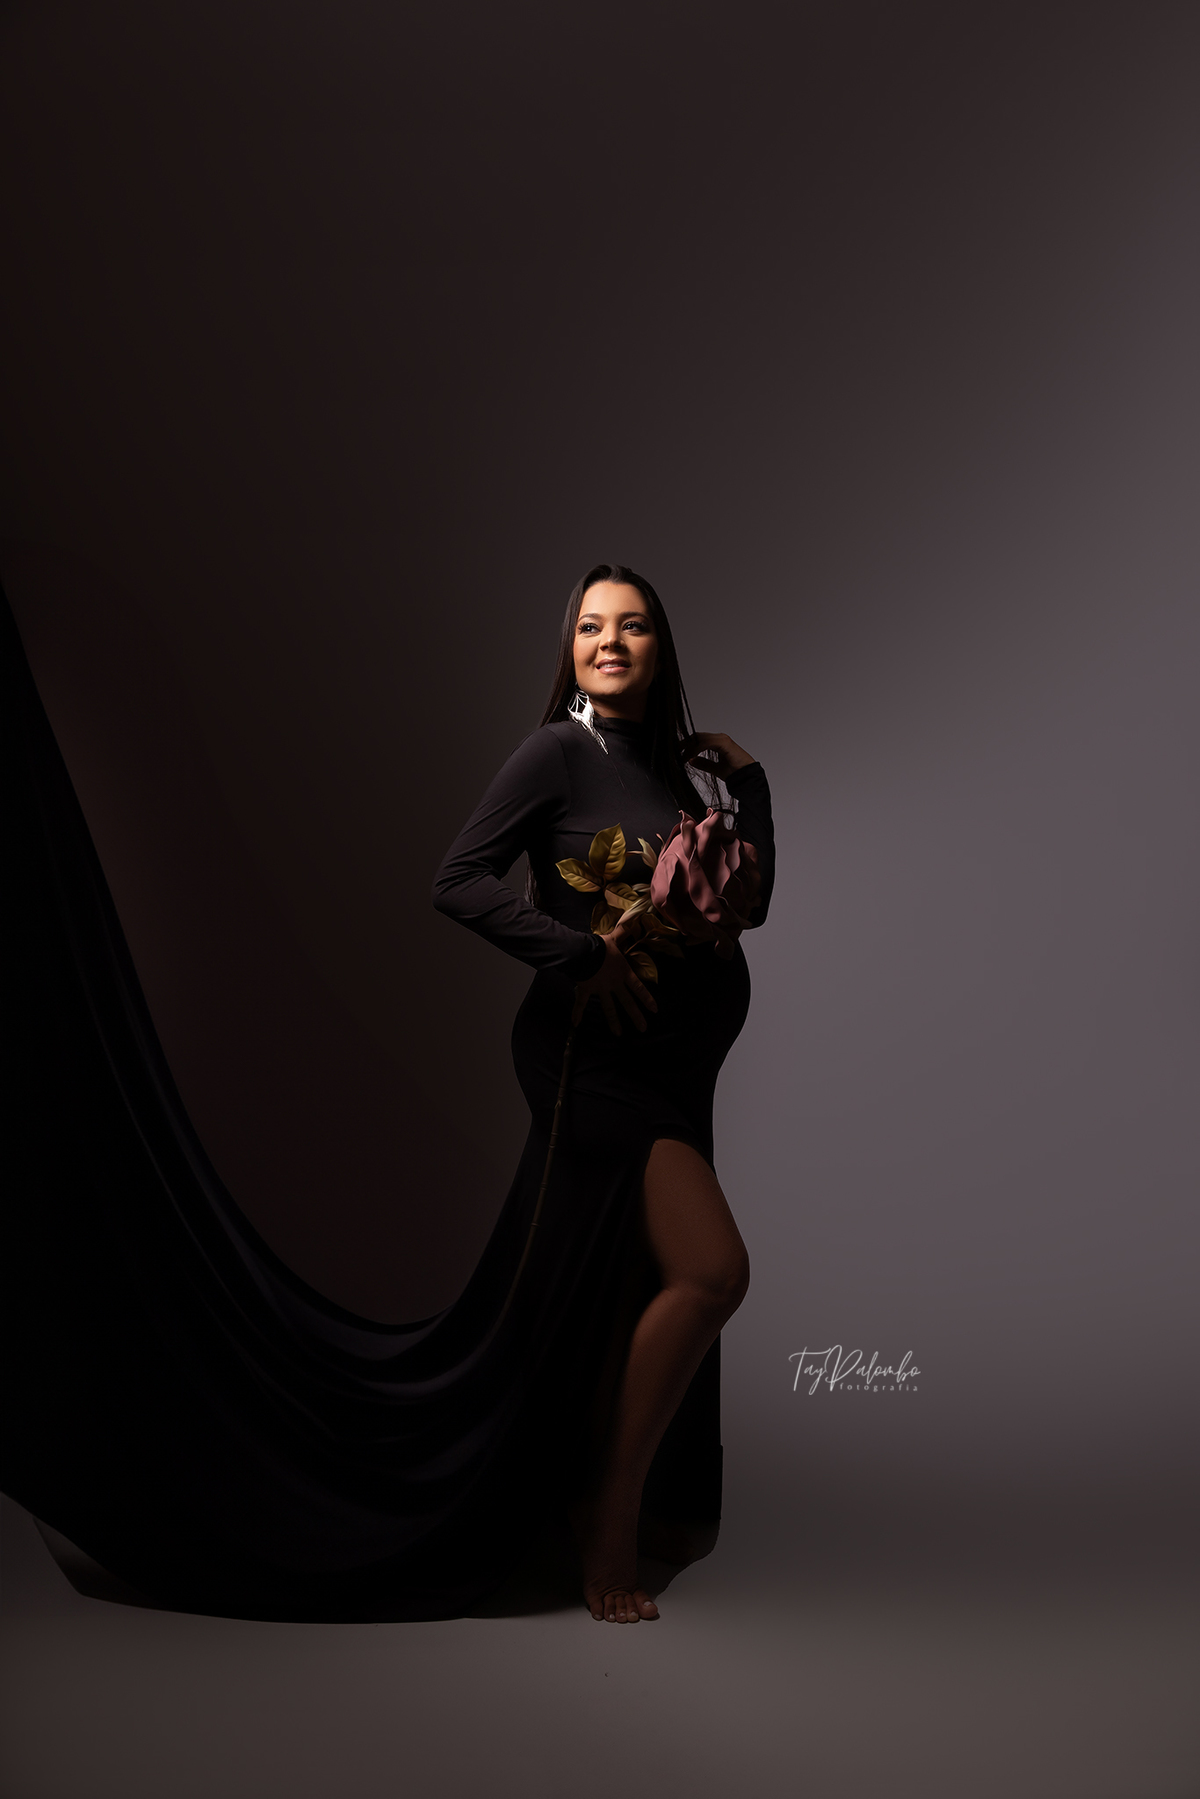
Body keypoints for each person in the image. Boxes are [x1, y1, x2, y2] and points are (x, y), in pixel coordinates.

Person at [432, 563, 775, 1623]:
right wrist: (579, 955)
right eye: (591, 626)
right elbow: (457, 880)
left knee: (636, 1282)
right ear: (571, 648)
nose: (609, 642)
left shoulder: (672, 774)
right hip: (597, 1061)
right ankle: (607, 1511)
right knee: (712, 1270)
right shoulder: (555, 752)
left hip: (675, 1066)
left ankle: (625, 1490)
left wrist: (753, 789)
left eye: (631, 626)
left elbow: (748, 906)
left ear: (660, 647)